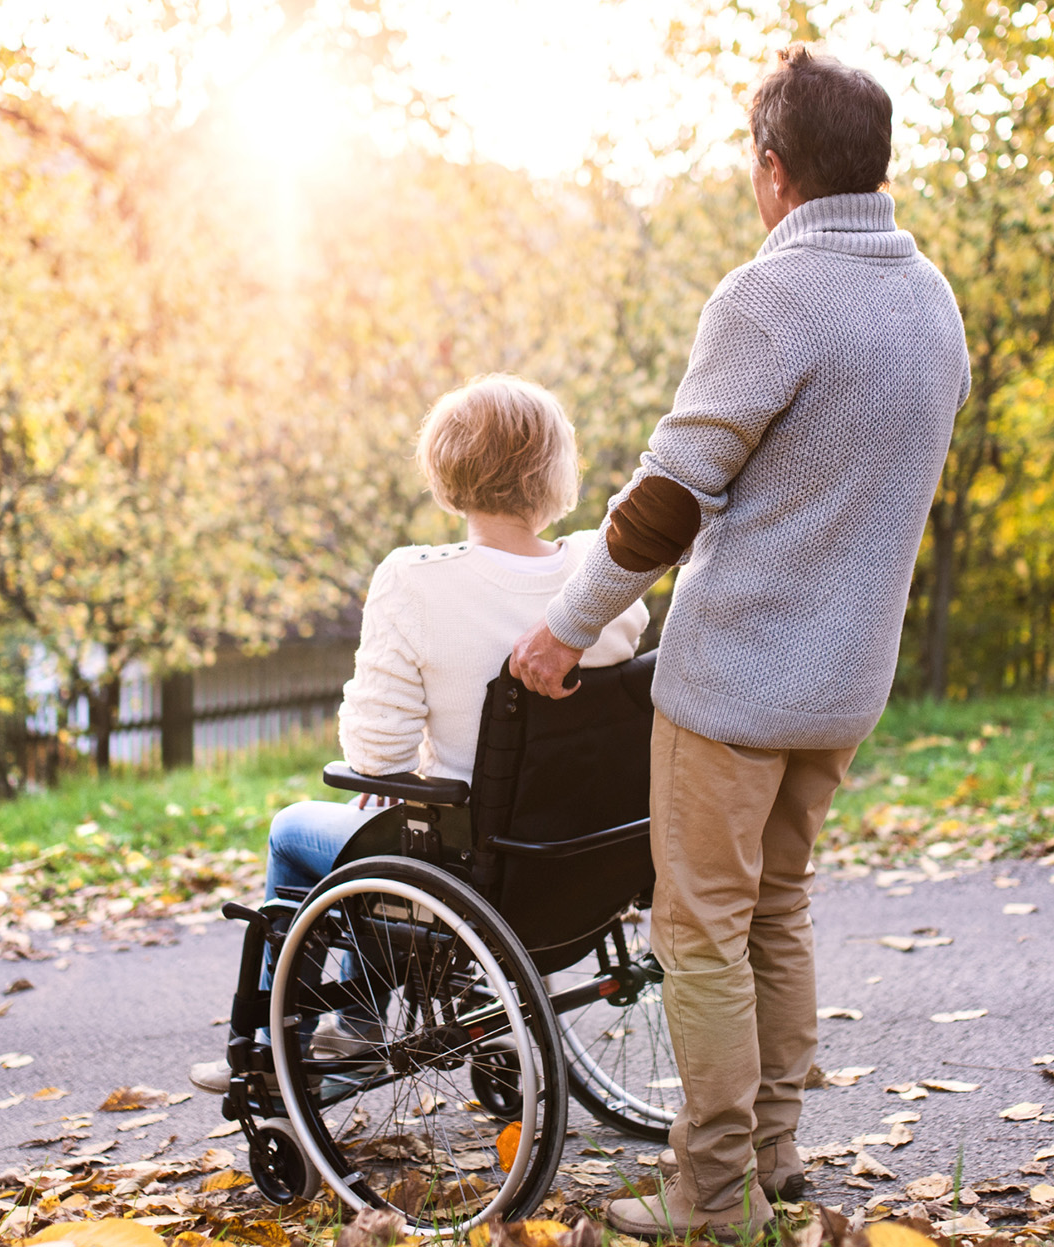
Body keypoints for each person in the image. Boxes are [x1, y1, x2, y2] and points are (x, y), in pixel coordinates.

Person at [511, 46, 971, 1241]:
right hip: (845, 682)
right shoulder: (929, 300)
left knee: (701, 927)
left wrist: (564, 627)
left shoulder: (768, 298)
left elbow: (669, 497)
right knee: (778, 908)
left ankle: (713, 1192)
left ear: (772, 169)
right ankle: (772, 1152)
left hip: (735, 682)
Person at [189, 373, 648, 1094]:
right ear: (556, 469)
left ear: (446, 469)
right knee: (390, 826)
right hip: (587, 853)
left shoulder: (414, 581)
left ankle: (317, 1033)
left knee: (295, 829)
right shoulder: (602, 576)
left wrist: (391, 771)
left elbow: (376, 753)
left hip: (476, 864)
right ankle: (381, 1014)